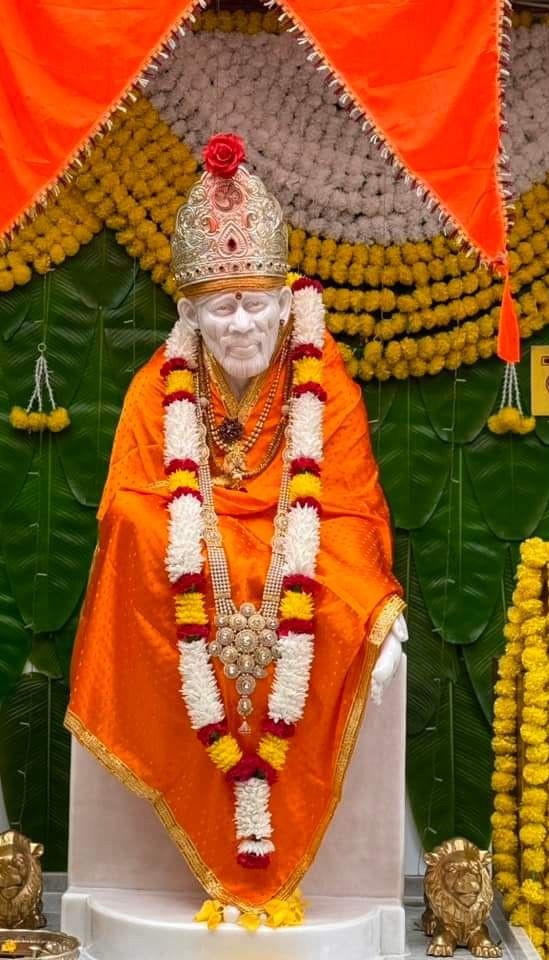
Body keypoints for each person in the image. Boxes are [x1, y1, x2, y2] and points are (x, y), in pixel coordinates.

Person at [65, 133, 406, 914]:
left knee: (332, 559)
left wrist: (374, 607)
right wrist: (202, 533)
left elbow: (350, 502)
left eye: (257, 302)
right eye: (224, 306)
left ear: (288, 303)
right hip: (194, 558)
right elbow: (130, 497)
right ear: (190, 311)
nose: (243, 323)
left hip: (299, 547)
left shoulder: (329, 385)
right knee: (134, 528)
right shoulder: (159, 388)